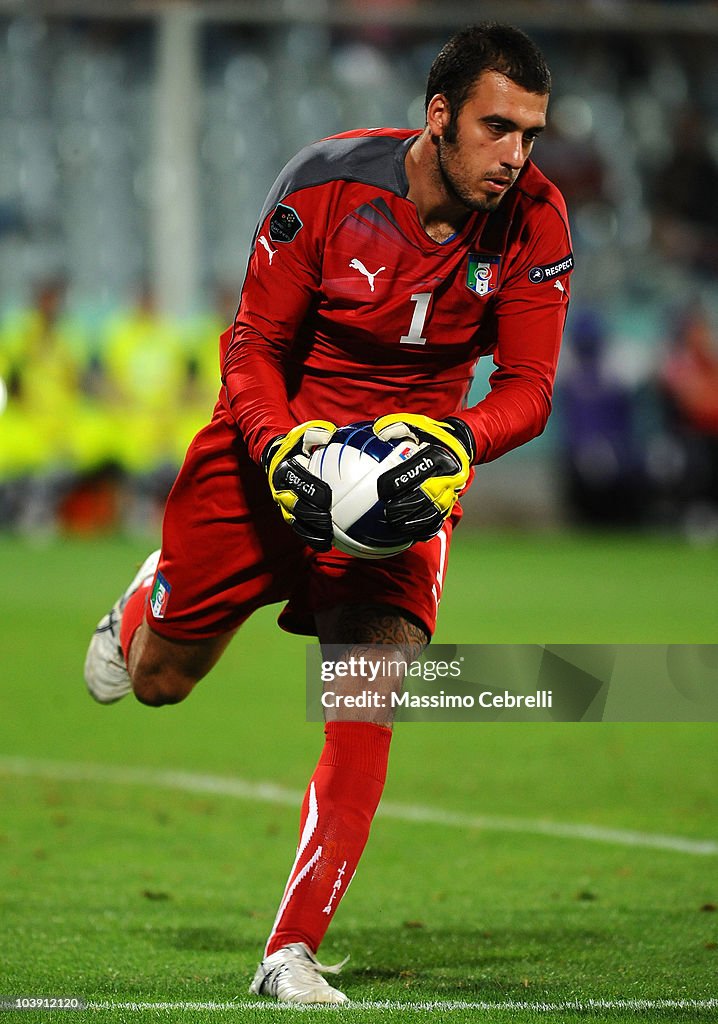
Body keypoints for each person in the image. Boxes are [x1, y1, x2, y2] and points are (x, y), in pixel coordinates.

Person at [84, 23, 572, 1004]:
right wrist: (280, 446)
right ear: (439, 119)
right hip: (273, 444)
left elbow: (528, 386)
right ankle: (149, 601)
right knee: (160, 681)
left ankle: (289, 949)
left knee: (367, 690)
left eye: (530, 132)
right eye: (495, 127)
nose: (515, 154)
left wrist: (456, 444)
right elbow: (252, 342)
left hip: (405, 474)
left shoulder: (538, 220)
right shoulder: (324, 186)